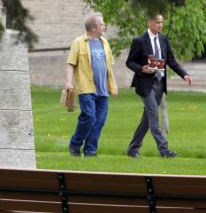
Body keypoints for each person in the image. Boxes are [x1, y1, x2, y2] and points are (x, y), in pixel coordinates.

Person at [125, 14, 192, 158]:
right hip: (144, 84)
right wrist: (142, 68)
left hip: (159, 84)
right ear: (149, 23)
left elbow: (171, 61)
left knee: (147, 119)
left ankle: (132, 149)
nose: (160, 25)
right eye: (157, 22)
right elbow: (130, 62)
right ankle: (164, 150)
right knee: (154, 116)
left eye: (162, 22)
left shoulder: (163, 39)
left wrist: (184, 75)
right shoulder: (139, 41)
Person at [66, 13, 118, 157]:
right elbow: (71, 64)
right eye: (102, 24)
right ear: (94, 27)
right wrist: (69, 82)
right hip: (86, 88)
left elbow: (109, 67)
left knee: (99, 121)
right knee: (89, 117)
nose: (104, 26)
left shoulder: (105, 42)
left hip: (103, 90)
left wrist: (113, 85)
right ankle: (75, 144)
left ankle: (90, 151)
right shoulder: (78, 42)